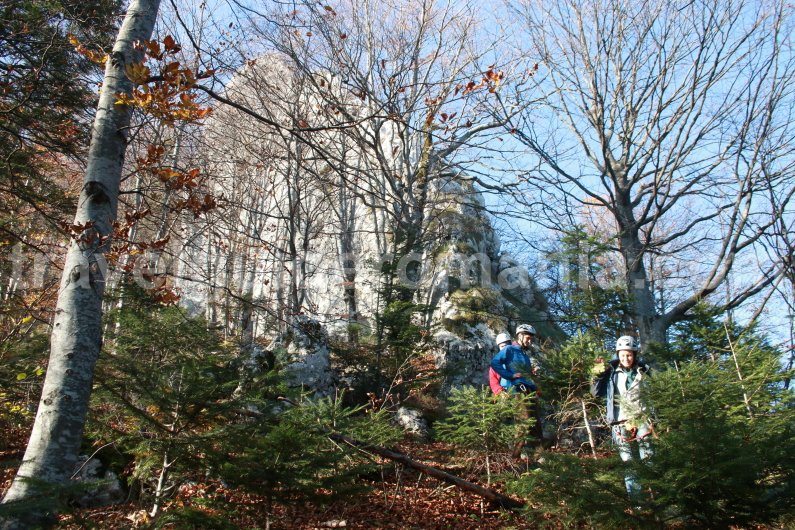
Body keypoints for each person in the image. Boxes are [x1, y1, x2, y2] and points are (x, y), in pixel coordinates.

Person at [591, 335, 653, 498]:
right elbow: (596, 393)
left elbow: (655, 392)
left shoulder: (644, 370)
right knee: (628, 462)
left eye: (629, 354)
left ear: (634, 354)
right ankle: (637, 501)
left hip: (641, 418)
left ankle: (654, 496)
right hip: (619, 421)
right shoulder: (611, 372)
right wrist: (598, 375)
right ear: (618, 354)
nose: (626, 358)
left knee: (649, 457)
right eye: (622, 354)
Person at [490, 324, 539, 458]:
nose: (530, 341)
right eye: (528, 338)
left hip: (529, 390)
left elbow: (526, 376)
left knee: (535, 424)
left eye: (531, 339)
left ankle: (539, 456)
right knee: (524, 423)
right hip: (517, 391)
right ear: (520, 336)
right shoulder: (510, 349)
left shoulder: (524, 355)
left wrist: (534, 381)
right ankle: (515, 457)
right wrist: (509, 376)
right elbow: (494, 363)